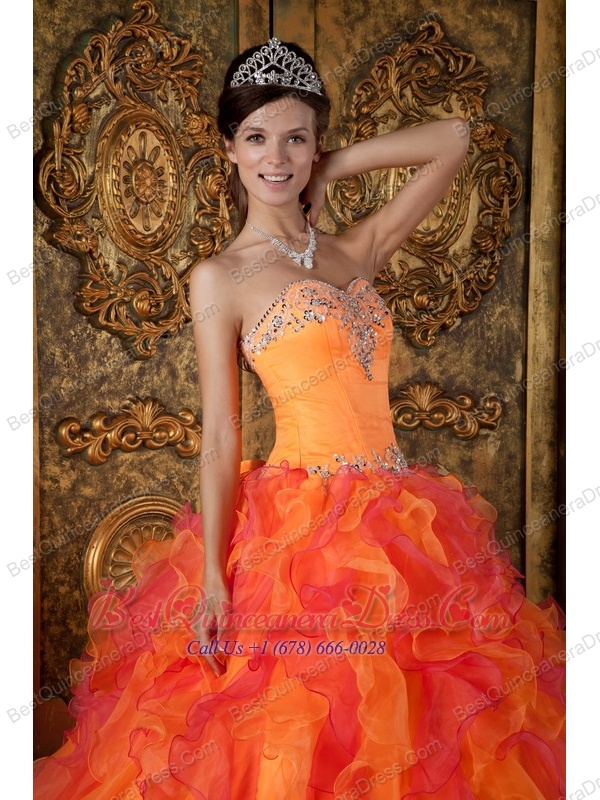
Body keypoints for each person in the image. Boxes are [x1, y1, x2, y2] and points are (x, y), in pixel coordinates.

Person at [34, 38, 565, 799]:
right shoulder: (220, 277)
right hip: (300, 534)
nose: (275, 158)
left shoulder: (356, 251)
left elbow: (453, 138)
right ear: (229, 147)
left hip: (403, 525)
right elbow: (222, 436)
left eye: (295, 138)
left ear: (317, 143)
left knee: (425, 728)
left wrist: (330, 166)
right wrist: (213, 579)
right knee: (298, 732)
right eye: (256, 138)